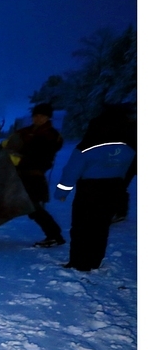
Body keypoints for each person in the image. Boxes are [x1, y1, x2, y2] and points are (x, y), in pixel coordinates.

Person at [54, 104, 136, 271]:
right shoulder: (129, 146)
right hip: (114, 188)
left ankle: (78, 262)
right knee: (101, 226)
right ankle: (94, 260)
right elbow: (131, 168)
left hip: (89, 190)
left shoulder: (87, 146)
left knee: (81, 227)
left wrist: (62, 192)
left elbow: (71, 171)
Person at [0, 102, 65, 247]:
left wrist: (21, 156)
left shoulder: (52, 135)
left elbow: (43, 154)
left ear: (48, 118)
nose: (38, 118)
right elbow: (8, 144)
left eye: (42, 116)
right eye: (36, 115)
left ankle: (55, 236)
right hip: (15, 175)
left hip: (34, 176)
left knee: (34, 208)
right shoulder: (25, 131)